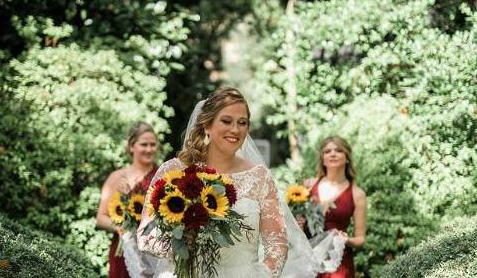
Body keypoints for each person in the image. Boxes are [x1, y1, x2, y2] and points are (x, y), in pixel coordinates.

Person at [137, 87, 323, 278]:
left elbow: (277, 244)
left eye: (242, 123)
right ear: (206, 125)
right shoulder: (174, 172)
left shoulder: (258, 177)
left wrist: (262, 275)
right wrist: (186, 245)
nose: (235, 130)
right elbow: (145, 237)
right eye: (226, 121)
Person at [96, 122, 159, 278]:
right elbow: (101, 218)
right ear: (132, 147)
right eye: (144, 144)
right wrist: (123, 229)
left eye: (153, 144)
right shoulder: (116, 178)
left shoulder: (162, 177)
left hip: (155, 252)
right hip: (124, 252)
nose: (149, 149)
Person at [302, 136, 367, 278]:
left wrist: (345, 239)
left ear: (347, 157)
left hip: (337, 264)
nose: (332, 154)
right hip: (307, 261)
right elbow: (293, 224)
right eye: (327, 151)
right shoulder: (308, 185)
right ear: (322, 159)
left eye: (338, 150)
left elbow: (360, 239)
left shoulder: (357, 194)